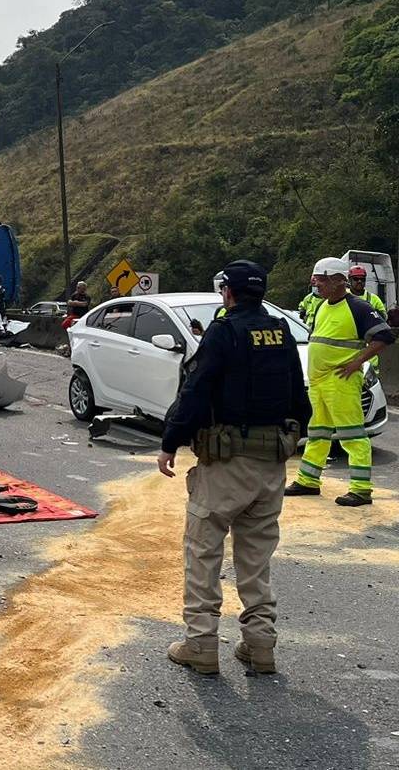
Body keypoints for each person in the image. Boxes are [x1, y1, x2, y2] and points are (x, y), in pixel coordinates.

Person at [157, 260, 310, 675]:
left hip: (225, 464)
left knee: (203, 552)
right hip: (271, 462)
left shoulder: (224, 332)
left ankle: (201, 645)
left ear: (228, 292)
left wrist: (170, 441)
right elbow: (300, 397)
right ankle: (260, 646)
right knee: (256, 557)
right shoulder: (280, 331)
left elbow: (196, 389)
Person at [285, 257, 394, 506]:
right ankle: (308, 481)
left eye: (321, 279)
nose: (316, 284)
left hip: (341, 381)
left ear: (338, 280)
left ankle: (361, 489)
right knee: (317, 433)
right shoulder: (323, 306)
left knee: (352, 435)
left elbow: (385, 336)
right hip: (320, 382)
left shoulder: (357, 307)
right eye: (315, 279)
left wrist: (358, 362)